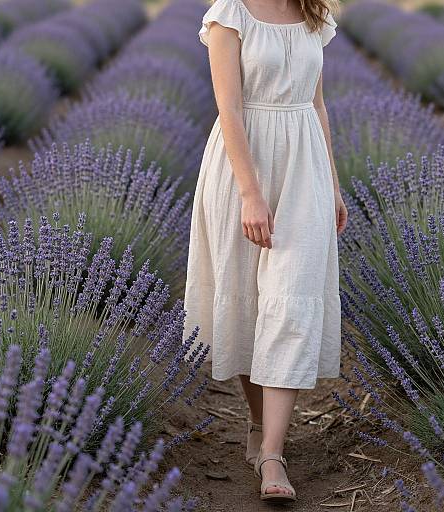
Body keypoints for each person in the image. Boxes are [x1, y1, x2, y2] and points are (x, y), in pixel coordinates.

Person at [183, 0, 348, 503]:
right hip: (242, 167)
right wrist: (250, 193)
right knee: (249, 306)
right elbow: (229, 108)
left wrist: (335, 185)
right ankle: (257, 424)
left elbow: (317, 105)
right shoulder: (229, 15)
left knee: (291, 301)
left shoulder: (313, 15)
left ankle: (273, 453)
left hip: (304, 169)